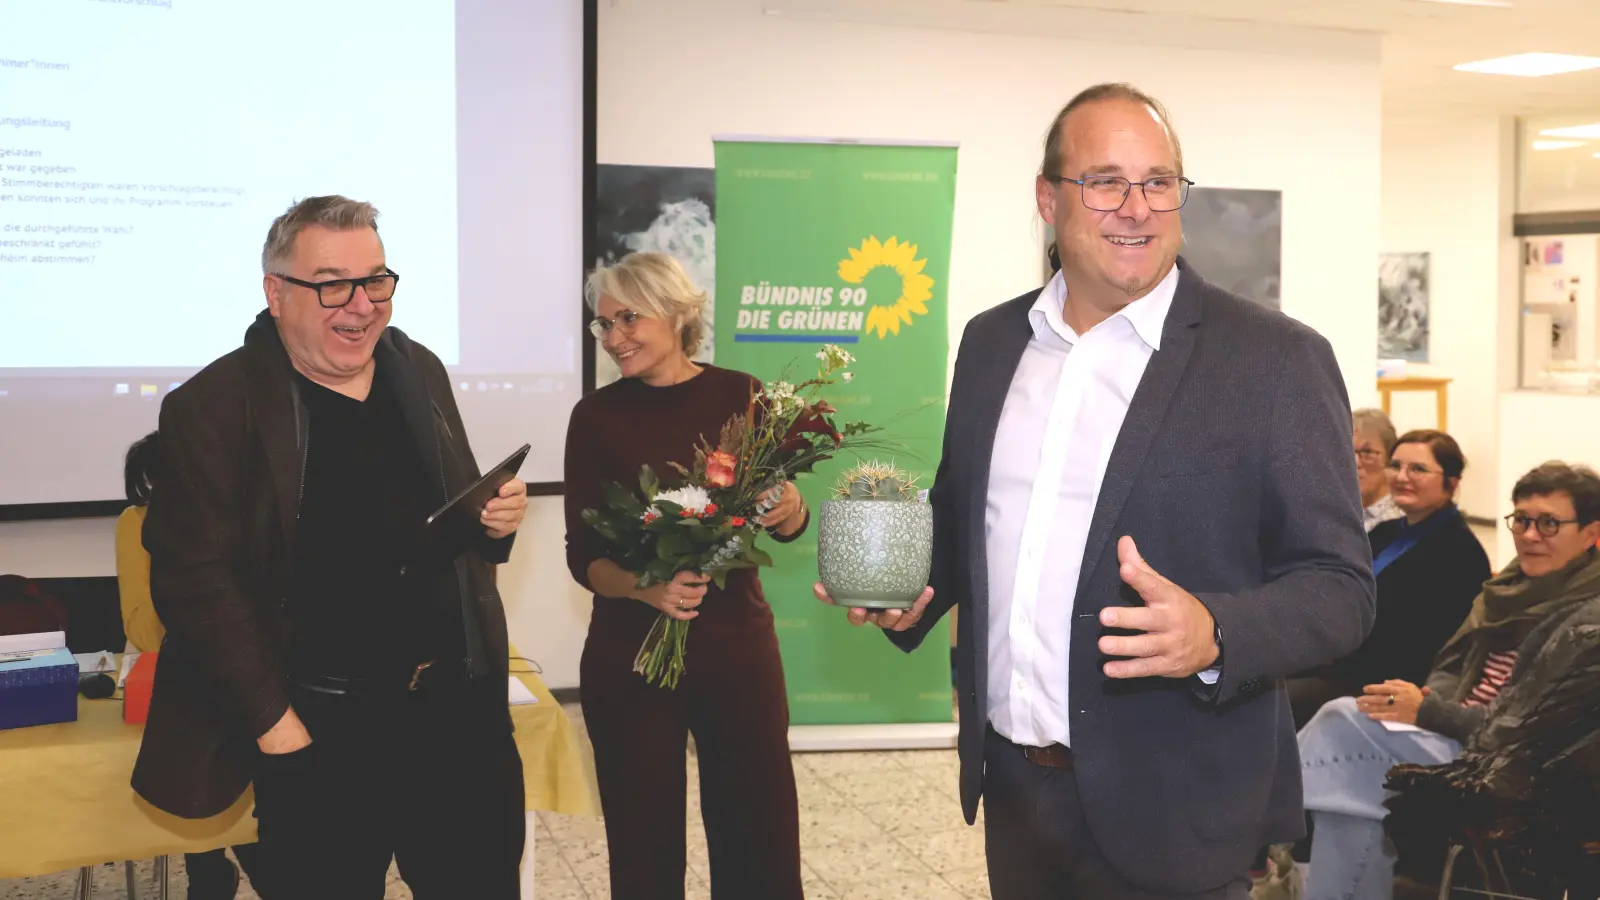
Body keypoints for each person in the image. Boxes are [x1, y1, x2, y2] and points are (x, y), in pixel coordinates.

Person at [815, 81, 1376, 899]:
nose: (1137, 207)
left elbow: (1341, 589)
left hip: (1179, 805)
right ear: (1049, 198)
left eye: (1159, 182)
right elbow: (973, 519)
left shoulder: (1272, 360)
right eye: (1106, 181)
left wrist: (1218, 629)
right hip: (1016, 788)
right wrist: (910, 588)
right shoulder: (992, 342)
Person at [130, 196, 529, 899]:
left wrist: (493, 522)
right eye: (332, 283)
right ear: (275, 292)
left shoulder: (418, 368)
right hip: (318, 729)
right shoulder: (214, 405)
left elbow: (445, 516)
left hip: (454, 720)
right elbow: (196, 584)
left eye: (376, 280)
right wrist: (277, 728)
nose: (362, 305)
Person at [563, 251, 810, 900]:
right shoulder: (594, 417)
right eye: (602, 325)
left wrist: (791, 508)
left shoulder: (742, 394)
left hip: (737, 653)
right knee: (643, 851)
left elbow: (782, 518)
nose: (613, 338)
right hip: (632, 658)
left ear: (676, 313)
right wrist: (647, 589)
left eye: (627, 319)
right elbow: (582, 556)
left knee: (759, 839)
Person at [1298, 461, 1600, 900]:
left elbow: (1517, 732)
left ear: (1592, 533)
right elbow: (1453, 664)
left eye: (1550, 523)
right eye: (1522, 520)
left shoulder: (1587, 621)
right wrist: (1430, 698)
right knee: (1351, 795)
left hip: (1514, 769)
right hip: (1459, 732)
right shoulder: (1506, 589)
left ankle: (1261, 804)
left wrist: (1429, 711)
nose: (1531, 535)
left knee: (1343, 716)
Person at [117, 430, 268, 900]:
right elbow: (143, 629)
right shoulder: (136, 524)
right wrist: (188, 576)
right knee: (195, 766)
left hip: (250, 676)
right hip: (179, 679)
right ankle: (209, 873)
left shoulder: (247, 524)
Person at [1285, 430, 1490, 729]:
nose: (1402, 477)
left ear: (1452, 483)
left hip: (1386, 684)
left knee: (1277, 700)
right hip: (1337, 661)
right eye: (1396, 466)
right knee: (1249, 680)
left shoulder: (1460, 554)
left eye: (1417, 469)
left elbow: (1421, 646)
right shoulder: (1386, 532)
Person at [1352, 409, 1403, 532]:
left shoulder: (1401, 522)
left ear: (1390, 458)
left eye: (1367, 452)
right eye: (1346, 452)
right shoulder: (1334, 517)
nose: (1355, 463)